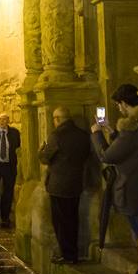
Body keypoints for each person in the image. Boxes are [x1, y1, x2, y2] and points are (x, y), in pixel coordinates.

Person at [91, 83, 138, 274]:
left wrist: (97, 135)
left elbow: (107, 156)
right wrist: (112, 131)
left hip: (134, 195)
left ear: (125, 104)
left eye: (119, 105)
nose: (118, 109)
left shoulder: (132, 130)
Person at [38, 108, 90, 264]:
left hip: (59, 185)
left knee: (61, 221)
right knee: (73, 219)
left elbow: (46, 158)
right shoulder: (82, 135)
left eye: (54, 119)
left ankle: (67, 255)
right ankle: (73, 253)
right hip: (75, 182)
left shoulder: (56, 135)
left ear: (58, 119)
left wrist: (41, 150)